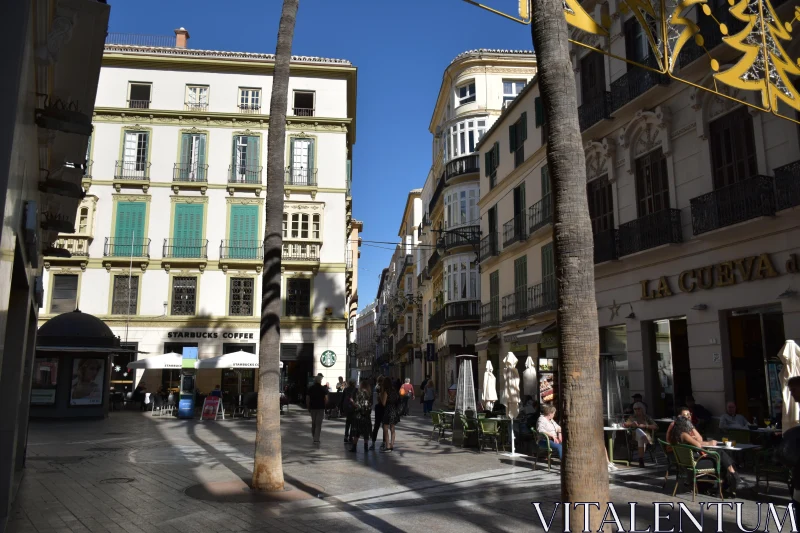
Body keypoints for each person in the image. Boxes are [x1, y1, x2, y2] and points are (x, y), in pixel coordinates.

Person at [669, 406, 752, 494]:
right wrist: (706, 442)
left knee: (720, 457)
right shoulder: (684, 434)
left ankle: (731, 482)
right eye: (687, 423)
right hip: (695, 463)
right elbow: (698, 444)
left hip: (687, 463)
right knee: (720, 455)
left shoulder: (676, 434)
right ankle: (733, 481)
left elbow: (698, 442)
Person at [624, 402, 658, 467]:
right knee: (638, 430)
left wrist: (645, 426)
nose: (637, 410)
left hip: (645, 436)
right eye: (635, 409)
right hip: (635, 437)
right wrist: (631, 424)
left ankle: (641, 460)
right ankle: (647, 445)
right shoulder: (632, 417)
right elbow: (625, 424)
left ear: (642, 409)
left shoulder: (647, 417)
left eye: (638, 409)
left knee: (641, 439)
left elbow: (656, 426)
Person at [349, 380, 373, 453]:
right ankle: (366, 446)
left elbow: (357, 405)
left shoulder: (359, 393)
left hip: (359, 415)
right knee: (366, 431)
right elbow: (370, 404)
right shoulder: (369, 394)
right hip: (366, 415)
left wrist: (352, 401)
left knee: (357, 431)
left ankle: (354, 447)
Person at [306, 375, 328, 444]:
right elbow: (326, 399)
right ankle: (316, 438)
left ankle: (314, 436)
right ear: (320, 381)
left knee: (314, 423)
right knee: (318, 423)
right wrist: (325, 405)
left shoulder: (310, 388)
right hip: (321, 408)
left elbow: (307, 398)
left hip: (313, 407)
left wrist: (308, 406)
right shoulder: (323, 389)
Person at [381, 378, 401, 452]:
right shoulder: (395, 391)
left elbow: (383, 403)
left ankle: (387, 446)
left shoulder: (386, 391)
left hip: (388, 411)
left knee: (385, 428)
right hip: (394, 411)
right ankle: (392, 444)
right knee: (392, 428)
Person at [370, 377, 386, 450]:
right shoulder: (383, 388)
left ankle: (373, 443)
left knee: (377, 426)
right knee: (384, 426)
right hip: (383, 408)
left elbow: (378, 399)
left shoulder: (377, 387)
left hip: (379, 407)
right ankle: (384, 443)